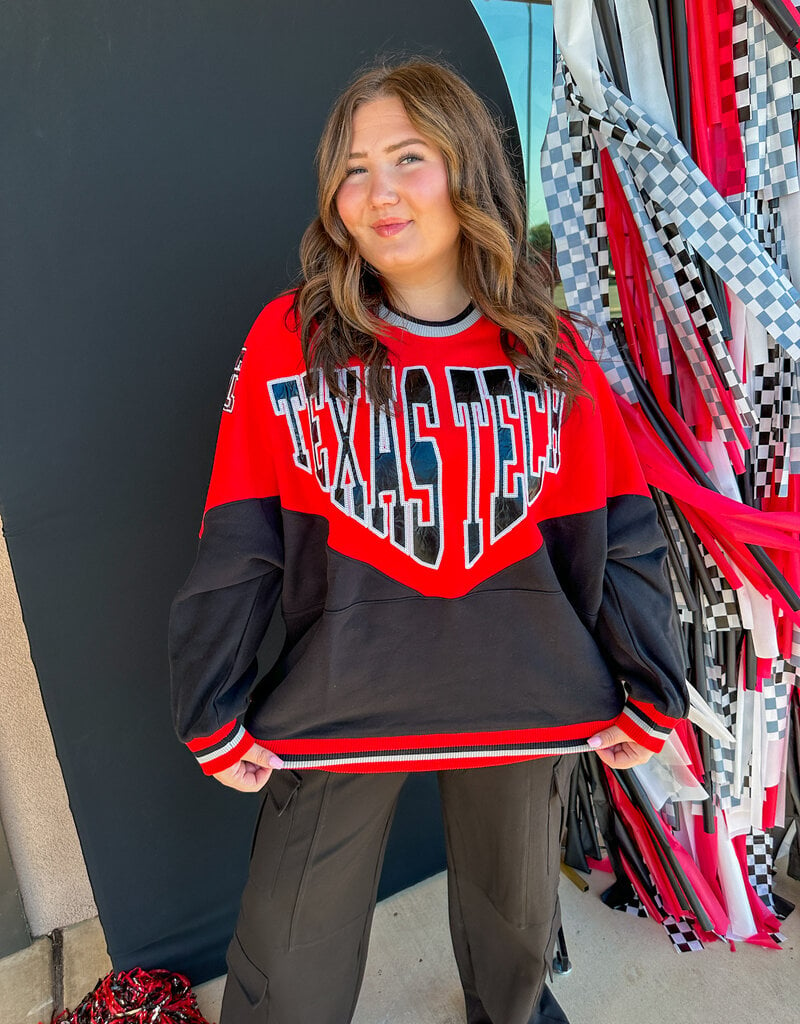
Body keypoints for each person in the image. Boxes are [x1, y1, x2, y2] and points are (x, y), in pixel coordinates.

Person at [169, 59, 688, 1024]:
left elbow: (614, 530)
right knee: (290, 946)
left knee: (516, 916)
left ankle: (514, 1012)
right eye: (353, 168)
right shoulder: (294, 338)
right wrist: (212, 704)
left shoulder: (548, 346)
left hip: (525, 691)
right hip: (338, 694)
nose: (378, 192)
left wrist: (650, 683)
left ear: (467, 168)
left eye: (408, 157)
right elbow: (240, 532)